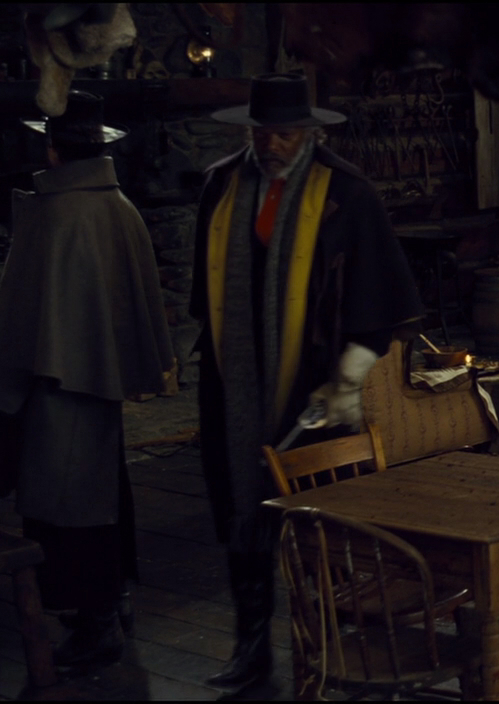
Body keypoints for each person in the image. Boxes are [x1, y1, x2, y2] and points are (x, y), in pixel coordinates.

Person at [189, 73, 423, 691]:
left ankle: (332, 652)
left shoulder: (346, 193)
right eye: (262, 132)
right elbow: (205, 294)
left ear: (310, 134)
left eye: (285, 133)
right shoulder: (222, 184)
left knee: (320, 523)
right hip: (236, 383)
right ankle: (250, 648)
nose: (272, 144)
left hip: (316, 385)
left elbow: (380, 292)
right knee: (242, 511)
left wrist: (349, 376)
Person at [0, 90, 175, 670]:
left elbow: (23, 316)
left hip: (55, 385)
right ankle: (110, 604)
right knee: (96, 493)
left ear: (53, 149)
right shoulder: (119, 208)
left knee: (68, 502)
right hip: (94, 382)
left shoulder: (56, 214)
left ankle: (97, 621)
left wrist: (10, 386)